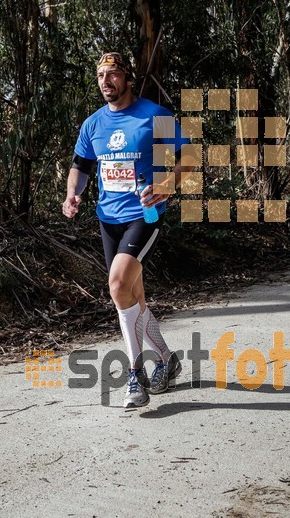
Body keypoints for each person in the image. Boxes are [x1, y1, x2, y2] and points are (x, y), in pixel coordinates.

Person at [62, 52, 191, 408]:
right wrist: (73, 194)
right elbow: (81, 166)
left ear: (128, 79)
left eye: (113, 74)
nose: (106, 81)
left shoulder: (155, 115)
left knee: (117, 285)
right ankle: (166, 358)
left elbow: (189, 157)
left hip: (145, 214)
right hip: (108, 219)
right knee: (132, 297)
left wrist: (168, 182)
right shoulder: (93, 125)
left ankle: (135, 374)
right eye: (100, 75)